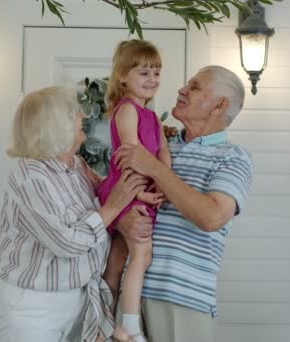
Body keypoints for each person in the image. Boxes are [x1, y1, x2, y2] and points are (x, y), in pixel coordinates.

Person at [0, 86, 147, 342]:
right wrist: (113, 207)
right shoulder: (30, 175)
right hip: (33, 304)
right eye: (74, 114)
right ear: (54, 126)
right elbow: (67, 241)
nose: (82, 117)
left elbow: (108, 207)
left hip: (77, 300)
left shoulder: (77, 166)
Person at [116, 65, 254, 342]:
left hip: (183, 302)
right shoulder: (158, 144)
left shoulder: (233, 157)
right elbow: (120, 196)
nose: (181, 90)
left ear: (219, 106)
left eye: (195, 87)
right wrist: (122, 221)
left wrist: (156, 169)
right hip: (129, 298)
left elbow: (212, 217)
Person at [97, 39, 171, 342]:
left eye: (156, 72)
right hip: (128, 189)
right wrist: (139, 194)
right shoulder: (127, 110)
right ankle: (129, 325)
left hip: (143, 187)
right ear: (123, 76)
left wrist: (163, 178)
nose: (152, 79)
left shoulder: (152, 116)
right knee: (143, 253)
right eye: (143, 73)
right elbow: (130, 154)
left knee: (116, 262)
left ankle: (102, 321)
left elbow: (163, 151)